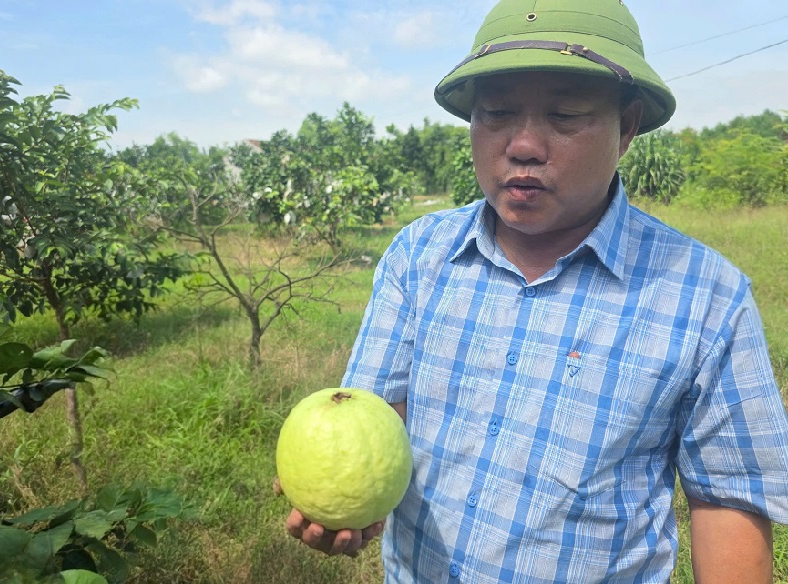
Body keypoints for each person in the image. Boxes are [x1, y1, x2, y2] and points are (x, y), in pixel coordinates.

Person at [285, 0, 788, 581]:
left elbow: (727, 498)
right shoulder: (418, 255)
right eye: (496, 113)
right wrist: (354, 497)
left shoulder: (705, 296)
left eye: (565, 115)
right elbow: (372, 416)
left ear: (626, 127)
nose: (523, 145)